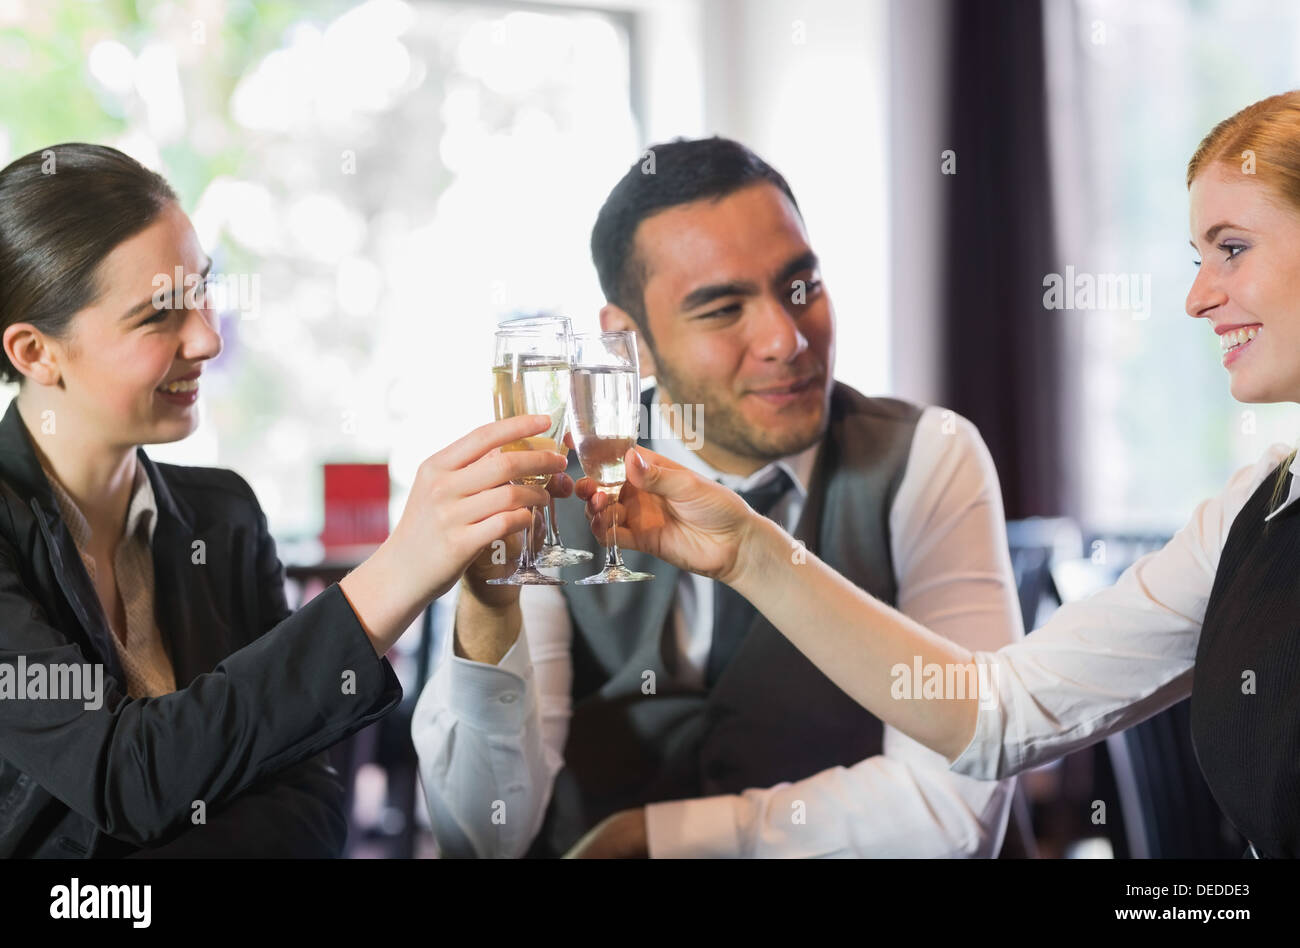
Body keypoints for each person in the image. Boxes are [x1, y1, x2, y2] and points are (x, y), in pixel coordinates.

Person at [574, 92, 1300, 860]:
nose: (1197, 298)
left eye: (1231, 248)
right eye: (1199, 259)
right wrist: (751, 553)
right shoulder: (1253, 516)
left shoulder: (928, 452)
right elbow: (999, 715)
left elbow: (958, 811)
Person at [413, 137, 1025, 858]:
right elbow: (483, 835)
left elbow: (957, 807)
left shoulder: (927, 454)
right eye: (723, 308)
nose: (786, 338)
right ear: (629, 342)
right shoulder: (557, 485)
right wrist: (488, 609)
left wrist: (659, 838)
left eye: (801, 287)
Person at [0, 143, 567, 857]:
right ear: (34, 352)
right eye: (157, 317)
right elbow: (124, 778)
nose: (206, 337)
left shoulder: (222, 515)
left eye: (202, 291)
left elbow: (310, 800)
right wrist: (397, 573)